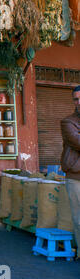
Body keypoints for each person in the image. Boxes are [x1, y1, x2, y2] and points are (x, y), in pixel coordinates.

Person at [60, 85, 80, 260]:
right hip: (76, 177)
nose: (79, 102)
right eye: (76, 99)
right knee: (79, 220)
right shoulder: (68, 122)